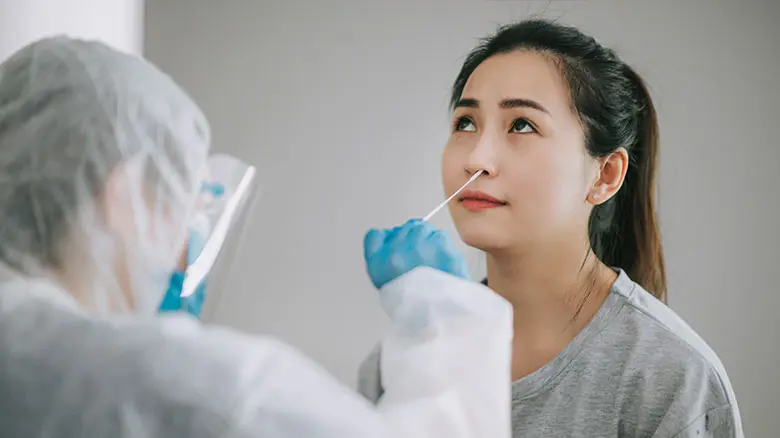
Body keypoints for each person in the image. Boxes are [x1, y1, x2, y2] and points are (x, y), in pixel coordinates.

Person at [0, 37, 515, 437]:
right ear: (122, 193)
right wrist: (449, 319)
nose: (184, 250)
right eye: (182, 210)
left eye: (522, 126)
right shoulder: (204, 389)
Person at [358, 19, 744, 437]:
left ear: (605, 175)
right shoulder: (403, 359)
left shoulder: (669, 379)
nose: (477, 160)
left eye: (522, 124)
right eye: (465, 123)